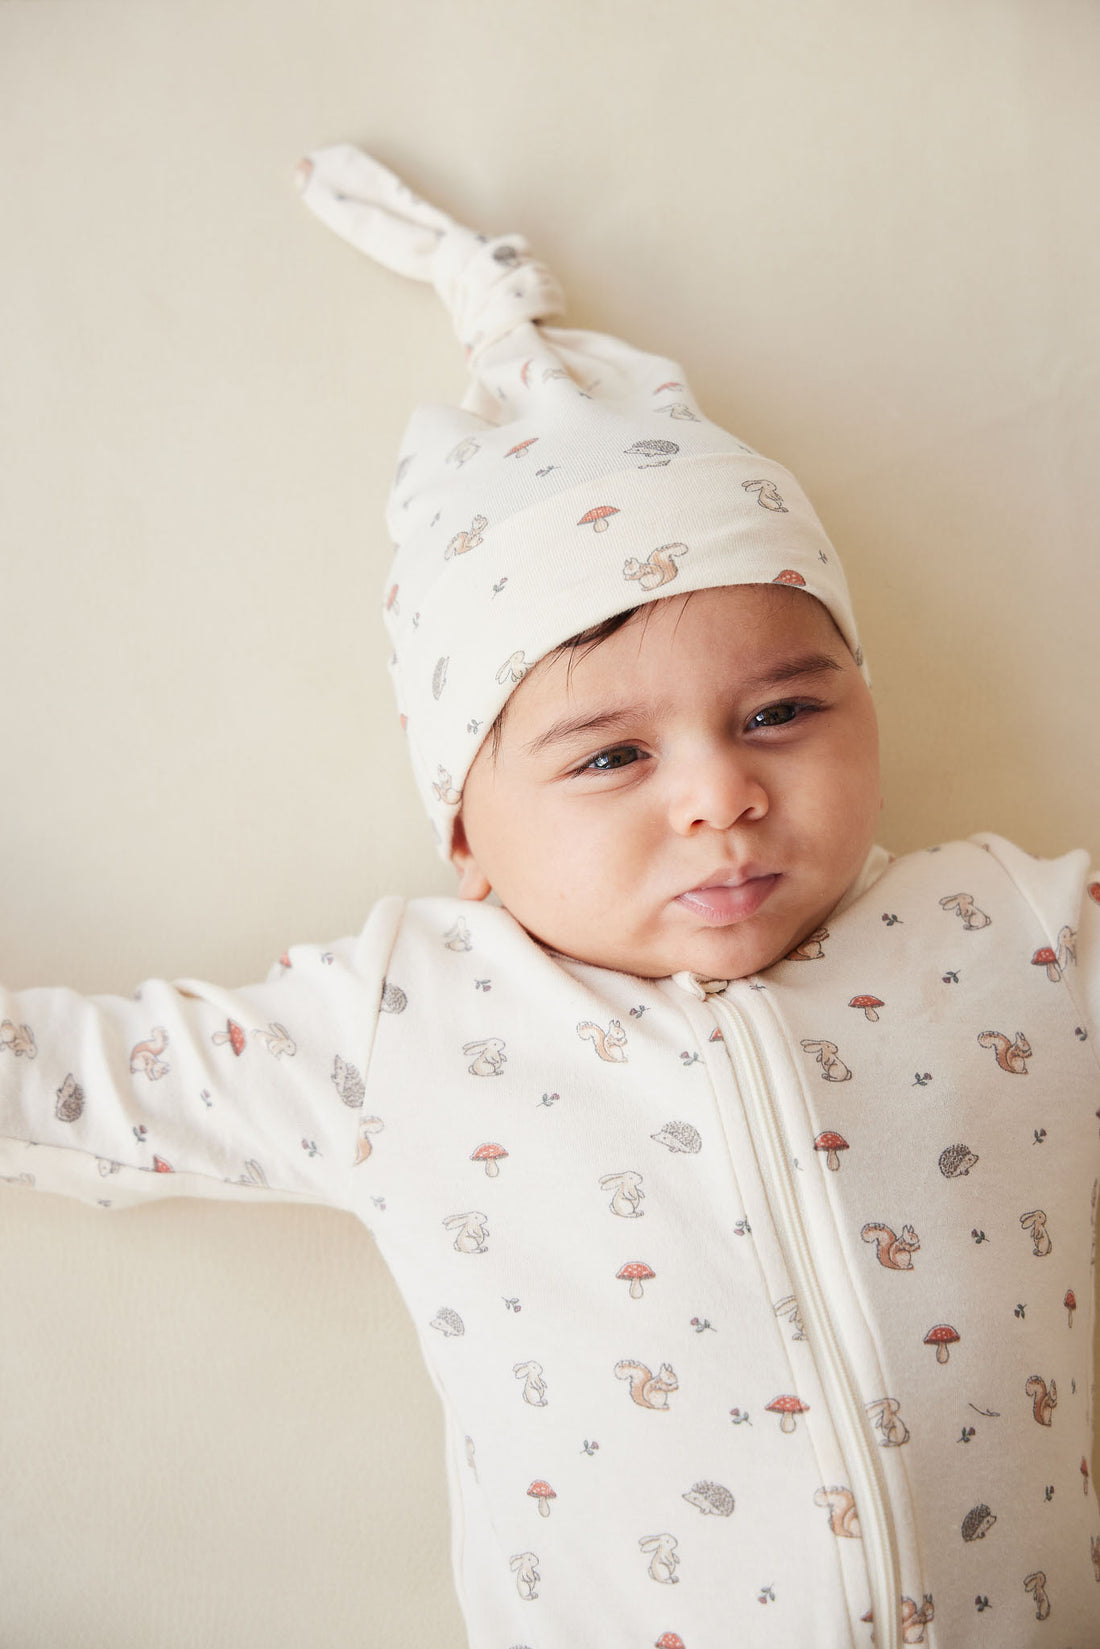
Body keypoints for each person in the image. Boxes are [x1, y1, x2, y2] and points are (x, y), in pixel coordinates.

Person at [2, 143, 1098, 1649]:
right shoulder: (408, 1024)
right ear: (467, 830)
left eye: (783, 712)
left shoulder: (1016, 939)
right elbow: (85, 1080)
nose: (718, 794)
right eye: (612, 756)